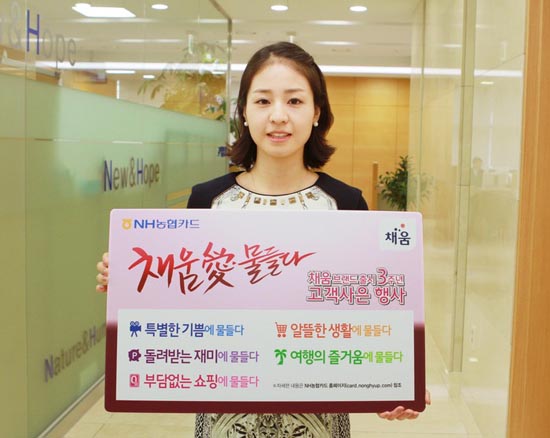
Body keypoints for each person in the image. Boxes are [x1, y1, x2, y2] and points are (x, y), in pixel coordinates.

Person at [96, 41, 430, 437]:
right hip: (225, 421)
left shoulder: (346, 204)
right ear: (244, 112)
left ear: (316, 112)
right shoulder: (208, 200)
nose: (278, 116)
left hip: (318, 424)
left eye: (294, 101)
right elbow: (184, 302)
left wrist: (397, 383)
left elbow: (372, 314)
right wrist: (134, 280)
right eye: (263, 101)